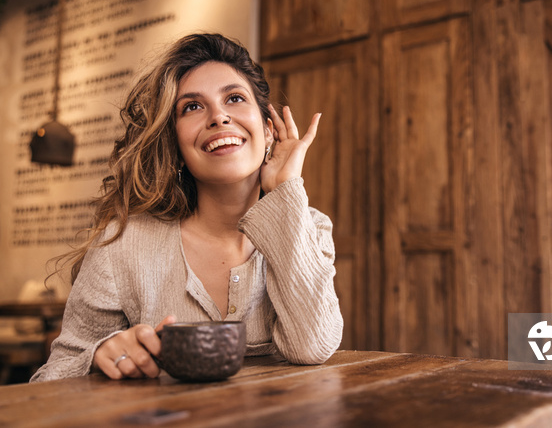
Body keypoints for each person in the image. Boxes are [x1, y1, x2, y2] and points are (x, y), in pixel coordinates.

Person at [31, 33, 343, 382]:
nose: (219, 117)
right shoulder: (123, 245)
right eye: (192, 106)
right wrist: (99, 355)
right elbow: (51, 378)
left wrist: (285, 191)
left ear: (268, 131)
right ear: (176, 144)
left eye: (235, 98)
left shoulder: (309, 228)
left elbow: (312, 346)